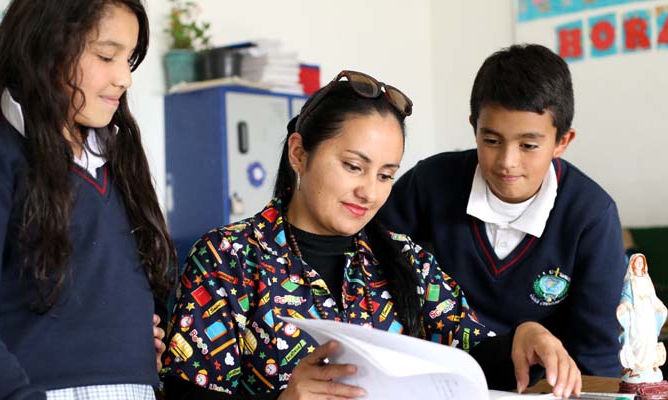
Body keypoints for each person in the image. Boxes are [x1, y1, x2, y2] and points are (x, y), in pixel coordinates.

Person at [160, 70, 582, 399]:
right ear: (298, 153)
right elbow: (183, 392)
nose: (369, 191)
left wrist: (523, 339)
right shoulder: (228, 258)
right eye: (353, 166)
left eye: (385, 175)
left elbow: (467, 358)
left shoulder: (404, 259)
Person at [0, 1, 176, 399]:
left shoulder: (120, 160)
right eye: (106, 56)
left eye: (128, 59)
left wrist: (134, 342)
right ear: (47, 46)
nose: (124, 78)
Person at [378, 43, 626, 377]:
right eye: (492, 140)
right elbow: (369, 267)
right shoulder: (430, 184)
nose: (507, 162)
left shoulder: (591, 216)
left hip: (539, 390)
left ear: (562, 142)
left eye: (529, 145)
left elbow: (598, 356)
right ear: (474, 127)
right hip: (436, 379)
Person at [616, 253, 668, 382]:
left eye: (641, 262)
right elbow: (625, 297)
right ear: (632, 265)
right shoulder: (630, 281)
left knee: (649, 338)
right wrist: (624, 306)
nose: (639, 264)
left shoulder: (647, 281)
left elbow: (653, 298)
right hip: (636, 314)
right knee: (637, 338)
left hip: (647, 315)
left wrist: (660, 306)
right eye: (637, 262)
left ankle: (648, 366)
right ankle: (636, 366)